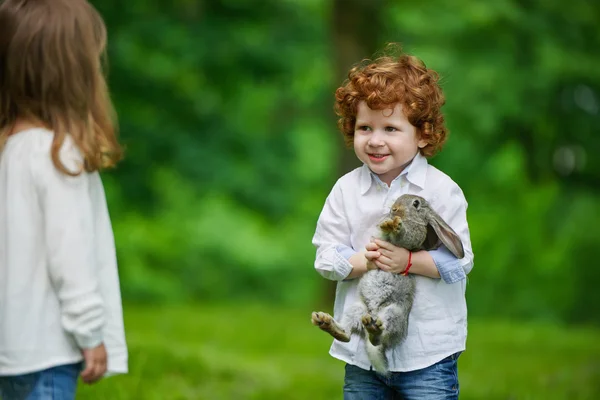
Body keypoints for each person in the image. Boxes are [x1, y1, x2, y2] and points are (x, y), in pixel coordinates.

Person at [312, 45, 474, 399]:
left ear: (423, 134)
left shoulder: (441, 190)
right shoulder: (346, 189)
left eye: (390, 128)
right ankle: (354, 329)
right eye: (364, 127)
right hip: (362, 359)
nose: (375, 140)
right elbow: (325, 255)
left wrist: (409, 262)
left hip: (427, 354)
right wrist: (362, 261)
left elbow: (460, 260)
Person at [0, 0, 128, 398]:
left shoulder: (9, 149)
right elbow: (69, 257)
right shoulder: (58, 156)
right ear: (74, 73)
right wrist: (89, 332)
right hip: (49, 350)